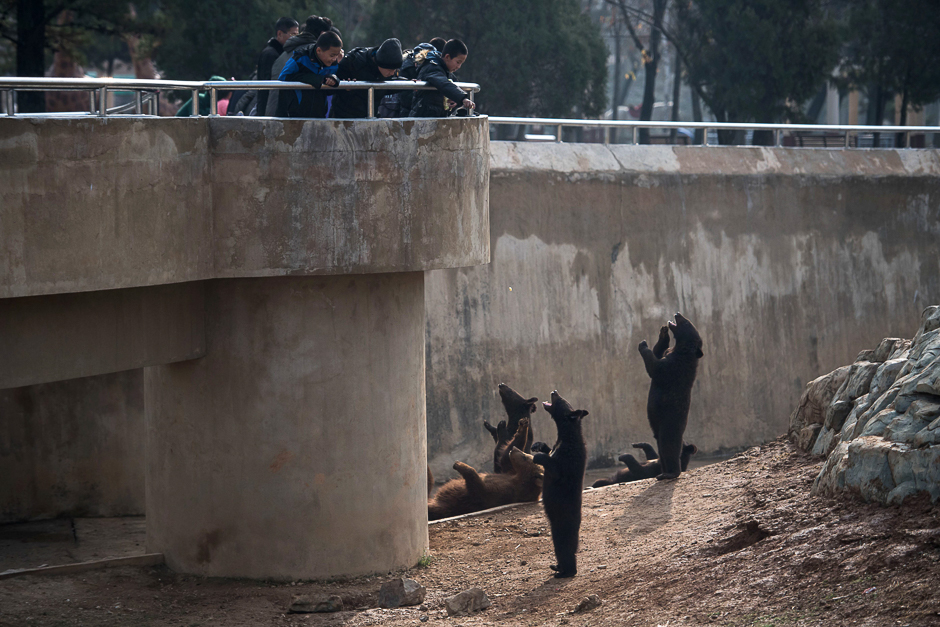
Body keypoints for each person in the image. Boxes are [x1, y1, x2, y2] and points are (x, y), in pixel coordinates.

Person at [265, 16, 338, 117]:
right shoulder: (307, 55)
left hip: (275, 114)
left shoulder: (285, 53)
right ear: (322, 35)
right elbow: (285, 77)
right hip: (295, 118)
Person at [330, 38, 403, 119]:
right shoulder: (354, 61)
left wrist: (408, 83)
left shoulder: (385, 71)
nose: (392, 73)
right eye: (390, 70)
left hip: (371, 116)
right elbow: (334, 82)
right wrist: (346, 88)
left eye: (395, 70)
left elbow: (389, 85)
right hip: (343, 116)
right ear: (380, 64)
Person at [277, 30, 342, 118]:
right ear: (319, 50)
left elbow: (329, 90)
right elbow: (282, 78)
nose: (334, 59)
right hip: (294, 115)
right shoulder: (301, 58)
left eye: (337, 55)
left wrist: (334, 81)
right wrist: (316, 79)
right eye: (332, 55)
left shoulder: (333, 64)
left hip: (319, 116)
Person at [409, 39, 474, 118]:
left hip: (435, 119)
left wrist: (455, 101)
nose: (459, 66)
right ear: (447, 57)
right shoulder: (432, 68)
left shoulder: (446, 71)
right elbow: (443, 83)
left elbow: (453, 88)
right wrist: (462, 98)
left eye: (461, 63)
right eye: (458, 62)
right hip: (423, 119)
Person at [255, 17, 300, 116]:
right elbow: (267, 86)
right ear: (279, 34)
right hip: (269, 109)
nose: (296, 38)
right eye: (293, 34)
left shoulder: (285, 53)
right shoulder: (270, 54)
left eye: (298, 35)